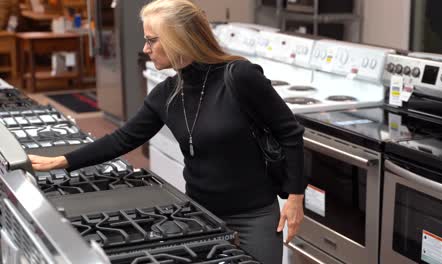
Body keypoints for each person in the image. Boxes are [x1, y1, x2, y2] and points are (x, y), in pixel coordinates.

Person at [29, 0, 306, 262]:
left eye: (151, 40)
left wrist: (295, 198)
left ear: (180, 38)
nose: (145, 49)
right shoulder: (167, 94)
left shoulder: (239, 77)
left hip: (254, 216)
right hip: (200, 214)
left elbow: (290, 133)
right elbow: (123, 139)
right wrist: (64, 161)